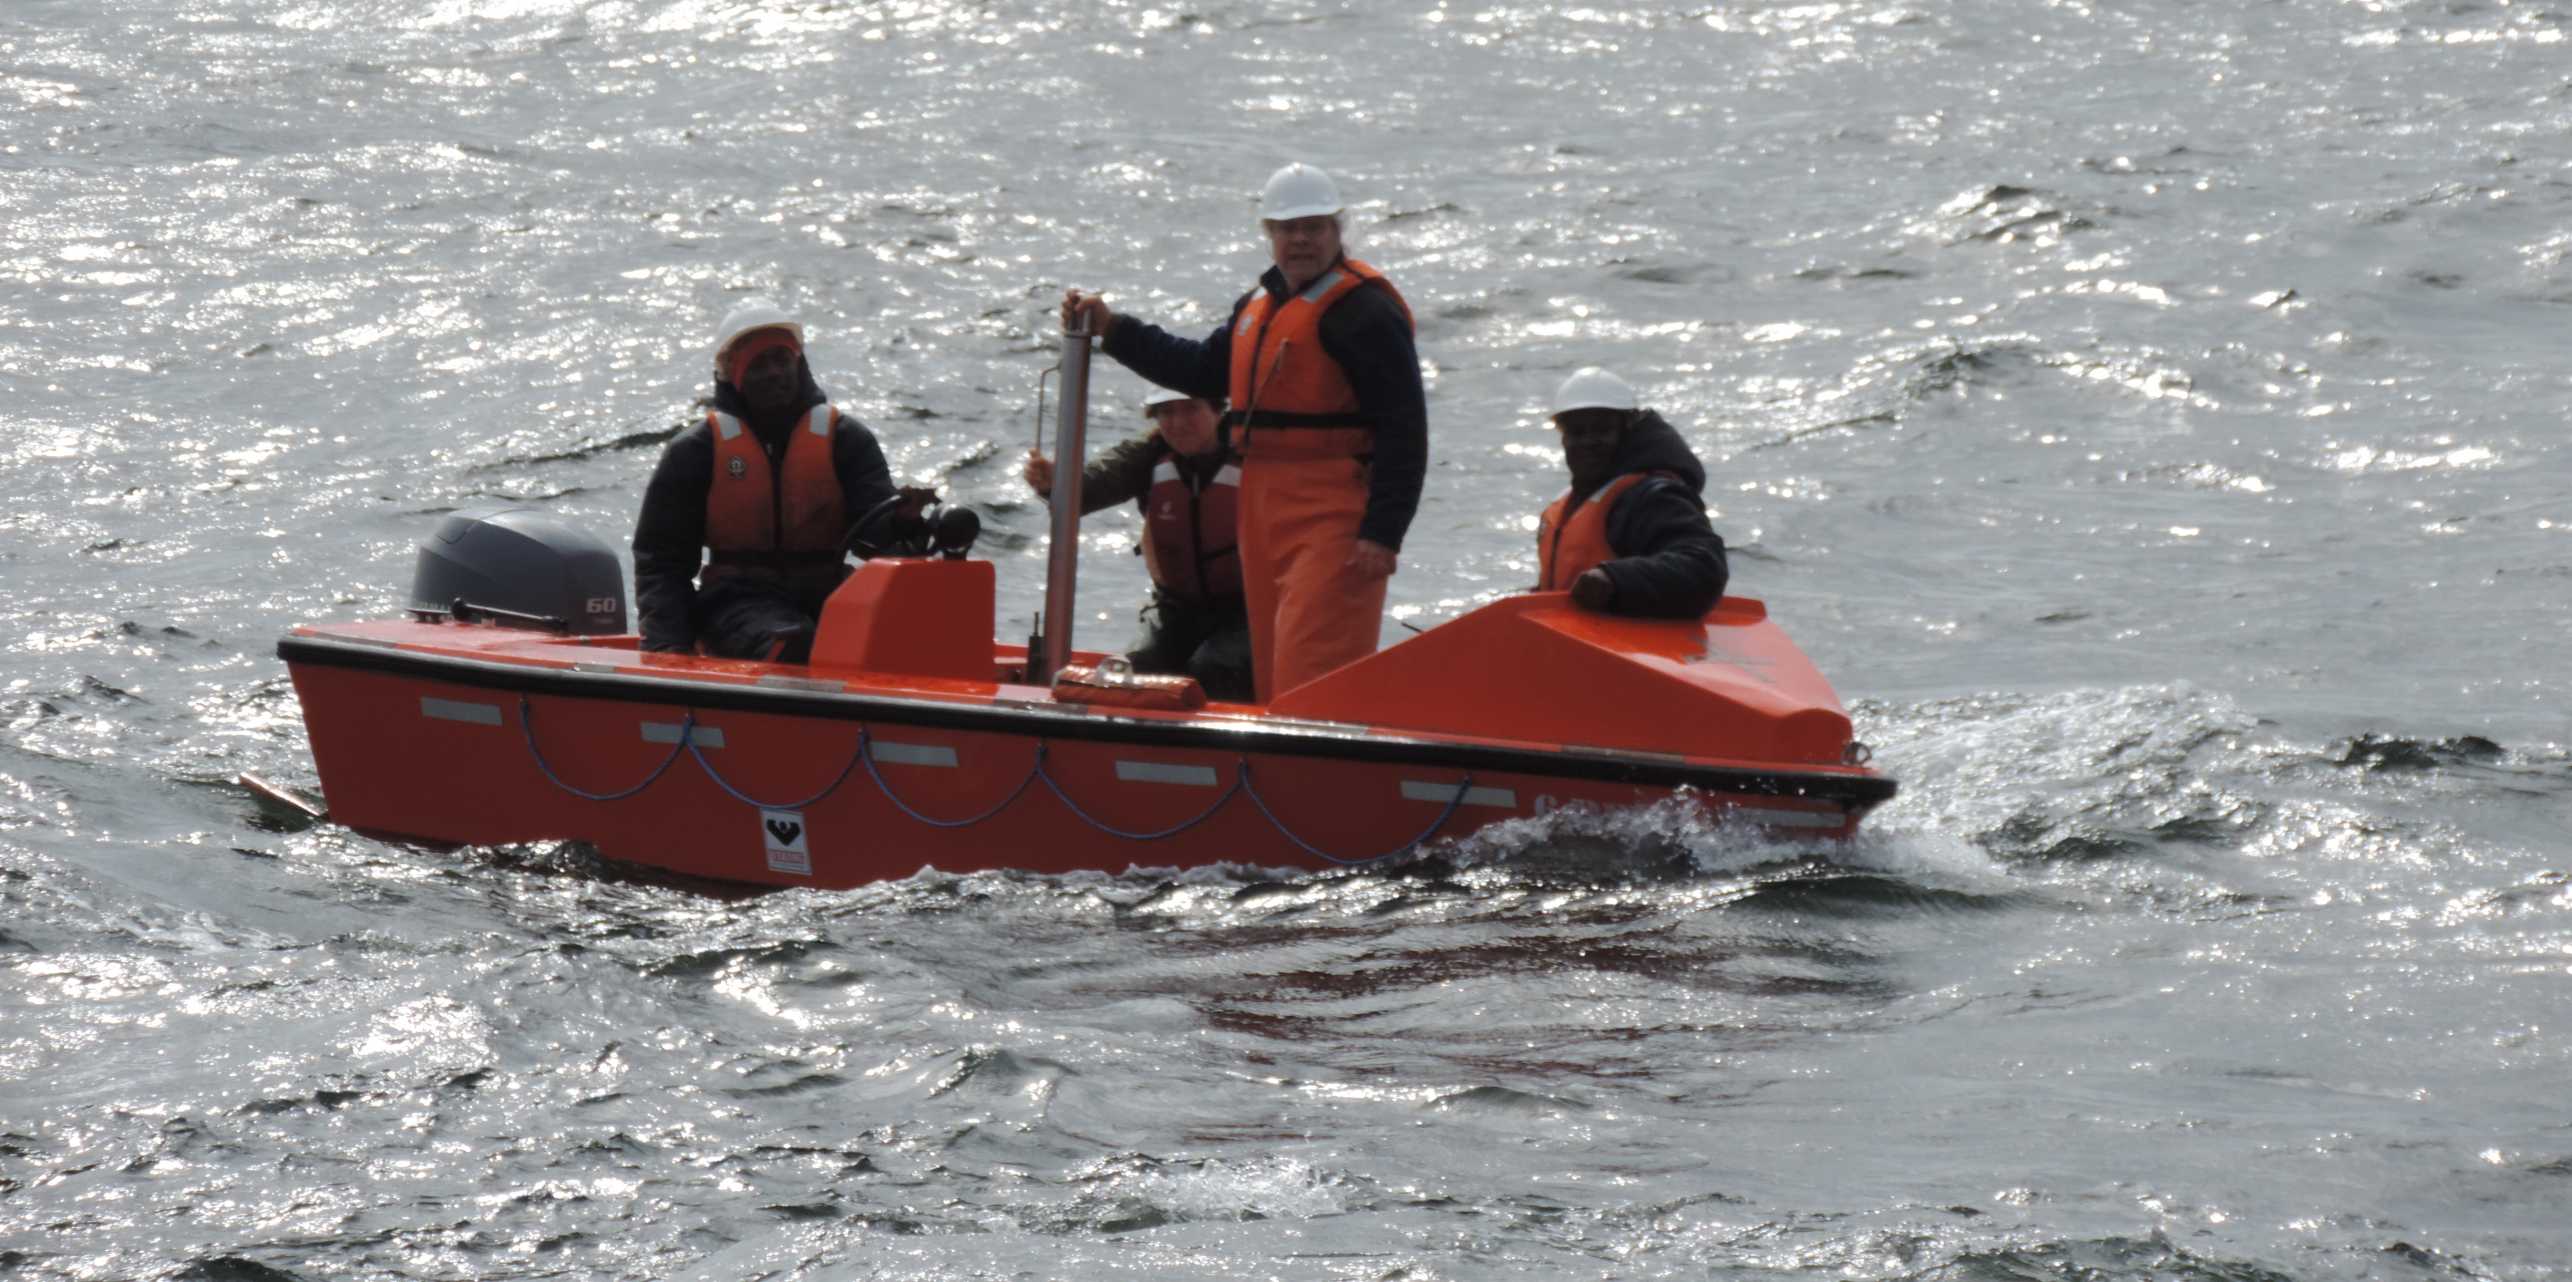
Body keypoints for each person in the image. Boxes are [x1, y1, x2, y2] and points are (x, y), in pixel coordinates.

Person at [1058, 161, 1426, 702]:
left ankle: (1315, 770)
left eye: (1314, 226)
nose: (1300, 239)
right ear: (1268, 234)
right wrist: (1115, 329)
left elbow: (1405, 426)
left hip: (1333, 510)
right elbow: (1202, 370)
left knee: (1314, 666)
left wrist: (1382, 531)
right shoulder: (1258, 306)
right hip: (1262, 504)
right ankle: (1262, 769)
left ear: (1336, 230)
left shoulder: (1364, 312)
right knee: (1273, 667)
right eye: (1287, 228)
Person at [632, 298, 921, 662]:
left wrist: (904, 523)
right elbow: (662, 561)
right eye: (757, 365)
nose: (773, 373)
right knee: (795, 642)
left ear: (798, 364)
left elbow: (876, 537)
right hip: (735, 601)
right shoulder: (697, 450)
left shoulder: (846, 439)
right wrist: (667, 649)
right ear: (733, 375)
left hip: (828, 592)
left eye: (782, 360)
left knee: (904, 640)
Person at [1022, 389, 1253, 700]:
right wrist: (1054, 482)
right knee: (1140, 666)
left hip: (1248, 611)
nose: (1178, 422)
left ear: (1217, 411)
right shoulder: (1149, 454)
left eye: (1190, 409)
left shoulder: (1255, 455)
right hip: (1176, 608)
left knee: (1214, 666)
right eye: (1166, 412)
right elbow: (1093, 484)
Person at [1534, 366, 1730, 618]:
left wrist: (1615, 579)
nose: (1588, 442)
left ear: (1627, 431)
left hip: (1626, 648)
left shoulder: (1649, 497)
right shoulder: (1563, 505)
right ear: (1563, 438)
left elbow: (1704, 567)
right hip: (1568, 647)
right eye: (1577, 432)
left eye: (1602, 430)